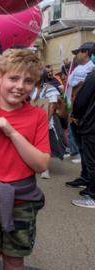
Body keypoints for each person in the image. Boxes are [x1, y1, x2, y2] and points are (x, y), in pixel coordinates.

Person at [0, 49, 50, 270]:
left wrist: (12, 133)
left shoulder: (38, 115)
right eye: (13, 77)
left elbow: (41, 164)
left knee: (13, 259)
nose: (20, 86)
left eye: (29, 81)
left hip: (22, 202)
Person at [65, 42, 95, 188]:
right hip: (78, 115)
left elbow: (82, 95)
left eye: (78, 52)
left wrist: (76, 115)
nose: (75, 56)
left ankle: (91, 185)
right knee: (83, 148)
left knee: (88, 151)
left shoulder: (91, 71)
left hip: (84, 117)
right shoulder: (82, 69)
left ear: (86, 53)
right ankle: (85, 177)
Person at [71, 64, 95, 208]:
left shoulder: (92, 77)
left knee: (92, 160)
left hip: (91, 125)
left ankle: (92, 195)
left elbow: (81, 100)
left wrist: (75, 115)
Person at [31, 69, 61, 179]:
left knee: (44, 145)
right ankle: (35, 165)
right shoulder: (31, 88)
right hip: (32, 122)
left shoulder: (50, 88)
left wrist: (46, 121)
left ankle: (45, 169)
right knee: (33, 144)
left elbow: (52, 106)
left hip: (45, 122)